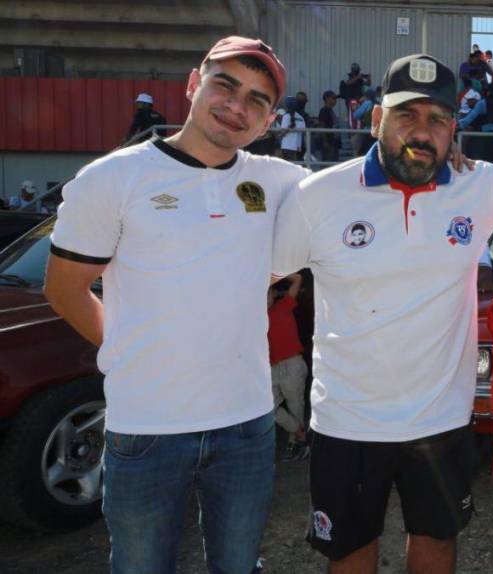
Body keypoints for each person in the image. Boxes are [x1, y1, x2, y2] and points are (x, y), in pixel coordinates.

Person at [271, 53, 493, 574]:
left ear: (453, 129)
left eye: (437, 119)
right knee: (349, 553)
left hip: (440, 420)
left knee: (437, 545)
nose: (423, 131)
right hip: (348, 421)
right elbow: (259, 278)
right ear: (376, 121)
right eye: (406, 116)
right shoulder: (317, 196)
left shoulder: (477, 185)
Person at [43, 35, 307, 574]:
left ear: (270, 119)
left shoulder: (281, 182)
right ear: (193, 84)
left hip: (246, 427)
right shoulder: (112, 178)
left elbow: (363, 188)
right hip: (146, 427)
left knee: (238, 566)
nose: (237, 106)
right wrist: (126, 349)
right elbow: (64, 290)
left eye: (257, 99)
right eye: (225, 85)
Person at [269, 273, 310, 462]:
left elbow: (298, 279)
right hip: (270, 368)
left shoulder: (283, 305)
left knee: (296, 406)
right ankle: (300, 433)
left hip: (292, 363)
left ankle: (298, 444)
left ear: (274, 294)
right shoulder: (253, 318)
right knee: (268, 407)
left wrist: (272, 274)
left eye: (268, 294)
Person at [279, 95, 306, 161]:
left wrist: (278, 135)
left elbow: (283, 132)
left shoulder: (286, 116)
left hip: (286, 146)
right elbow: (304, 131)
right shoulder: (300, 117)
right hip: (297, 146)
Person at [317, 90, 341, 162]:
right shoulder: (324, 111)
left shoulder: (331, 111)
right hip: (329, 142)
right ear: (327, 99)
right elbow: (322, 126)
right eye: (333, 98)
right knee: (328, 162)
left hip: (334, 142)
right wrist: (325, 142)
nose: (335, 100)